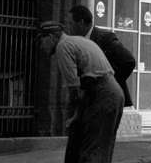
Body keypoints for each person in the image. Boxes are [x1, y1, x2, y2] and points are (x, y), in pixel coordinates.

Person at [39, 20, 125, 163]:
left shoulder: (62, 47)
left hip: (102, 94)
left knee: (91, 149)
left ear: (52, 37)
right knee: (102, 147)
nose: (42, 47)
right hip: (113, 92)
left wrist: (74, 115)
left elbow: (75, 88)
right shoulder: (78, 41)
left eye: (42, 41)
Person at [66, 3, 137, 107]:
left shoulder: (105, 38)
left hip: (108, 100)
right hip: (89, 101)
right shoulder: (77, 42)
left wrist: (108, 85)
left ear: (80, 23)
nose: (68, 28)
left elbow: (128, 61)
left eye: (70, 24)